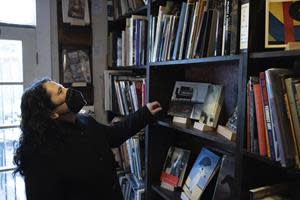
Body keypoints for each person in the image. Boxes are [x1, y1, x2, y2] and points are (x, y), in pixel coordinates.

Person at [13, 77, 162, 200]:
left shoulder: (86, 121)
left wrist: (145, 113)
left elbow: (114, 135)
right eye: (61, 92)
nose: (68, 91)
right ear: (52, 114)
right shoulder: (40, 154)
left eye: (63, 87)